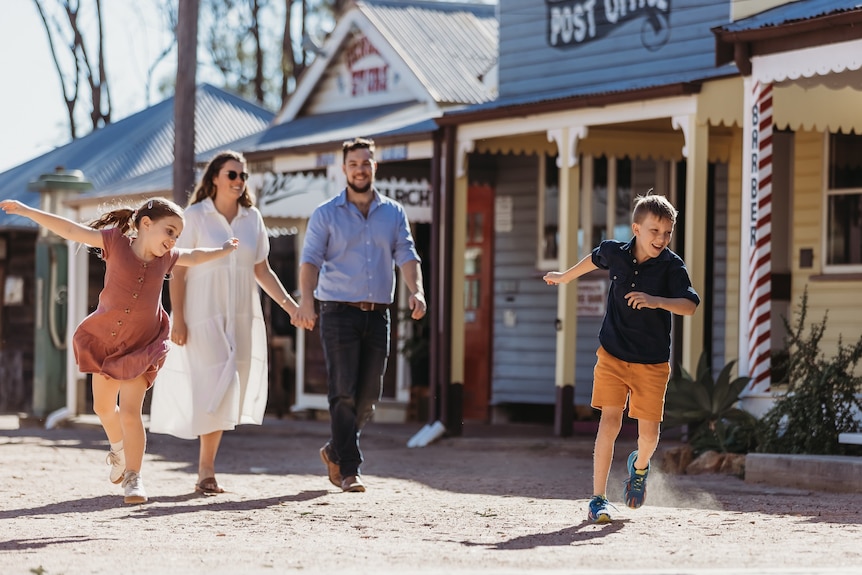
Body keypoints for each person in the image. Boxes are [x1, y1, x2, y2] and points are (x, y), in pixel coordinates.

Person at [0, 198, 238, 505]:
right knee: (102, 408)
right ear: (145, 224)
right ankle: (118, 450)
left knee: (130, 412)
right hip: (105, 341)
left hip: (143, 344)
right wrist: (29, 211)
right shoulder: (115, 242)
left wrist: (222, 250)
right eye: (169, 231)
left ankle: (134, 477)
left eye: (177, 235)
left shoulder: (168, 259)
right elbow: (71, 229)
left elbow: (194, 256)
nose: (173, 240)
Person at [149, 150, 299, 495]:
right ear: (215, 177)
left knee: (230, 384)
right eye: (232, 174)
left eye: (243, 176)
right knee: (212, 383)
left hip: (242, 317)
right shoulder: (195, 216)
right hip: (202, 316)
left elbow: (262, 269)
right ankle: (206, 469)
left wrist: (290, 307)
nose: (239, 181)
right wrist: (179, 318)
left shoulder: (253, 219)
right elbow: (179, 269)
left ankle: (206, 467)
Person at [543, 192, 699, 523]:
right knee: (610, 422)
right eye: (654, 230)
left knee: (649, 436)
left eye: (667, 232)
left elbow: (690, 305)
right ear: (636, 229)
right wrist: (564, 277)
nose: (661, 238)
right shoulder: (616, 252)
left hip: (652, 362)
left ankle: (639, 468)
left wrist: (657, 301)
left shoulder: (672, 266)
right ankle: (597, 499)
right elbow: (593, 258)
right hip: (612, 354)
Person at [293, 137, 427, 493]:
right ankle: (350, 469)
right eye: (354, 163)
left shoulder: (393, 212)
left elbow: (407, 255)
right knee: (343, 390)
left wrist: (417, 290)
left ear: (375, 167)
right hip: (337, 310)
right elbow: (310, 262)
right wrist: (306, 302)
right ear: (344, 169)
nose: (360, 169)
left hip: (378, 313)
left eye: (366, 162)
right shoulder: (325, 213)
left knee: (369, 394)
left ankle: (335, 449)